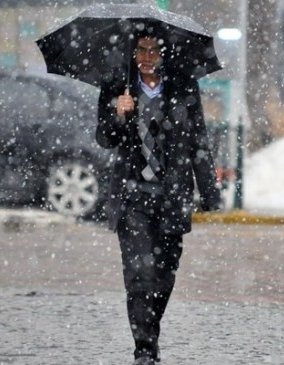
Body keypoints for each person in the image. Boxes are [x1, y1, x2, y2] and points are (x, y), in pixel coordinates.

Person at [96, 30, 221, 365]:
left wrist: (210, 193)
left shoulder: (183, 87)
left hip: (173, 195)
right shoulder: (117, 85)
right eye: (141, 50)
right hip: (132, 196)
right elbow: (105, 139)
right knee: (139, 275)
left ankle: (150, 328)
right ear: (132, 52)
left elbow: (198, 143)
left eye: (153, 51)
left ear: (165, 54)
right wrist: (119, 114)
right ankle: (145, 349)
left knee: (164, 276)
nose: (147, 57)